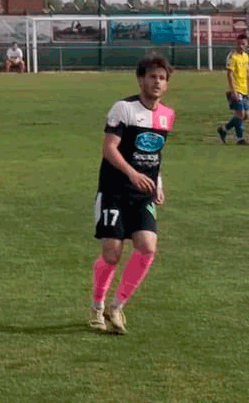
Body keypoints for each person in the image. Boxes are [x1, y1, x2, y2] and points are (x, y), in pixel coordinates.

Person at [88, 54, 174, 335]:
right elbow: (109, 148)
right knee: (112, 254)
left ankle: (117, 307)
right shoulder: (123, 108)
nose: (157, 82)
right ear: (141, 80)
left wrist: (156, 183)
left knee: (148, 246)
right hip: (115, 189)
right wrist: (132, 174)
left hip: (143, 193)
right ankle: (97, 306)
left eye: (162, 78)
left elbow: (153, 155)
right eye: (152, 77)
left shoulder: (166, 115)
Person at [217, 33, 249, 145]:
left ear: (247, 45)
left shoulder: (245, 56)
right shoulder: (232, 56)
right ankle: (240, 139)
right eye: (239, 43)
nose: (240, 46)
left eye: (243, 44)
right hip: (234, 90)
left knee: (245, 116)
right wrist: (233, 91)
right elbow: (229, 75)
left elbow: (247, 72)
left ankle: (224, 129)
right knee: (240, 114)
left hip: (244, 90)